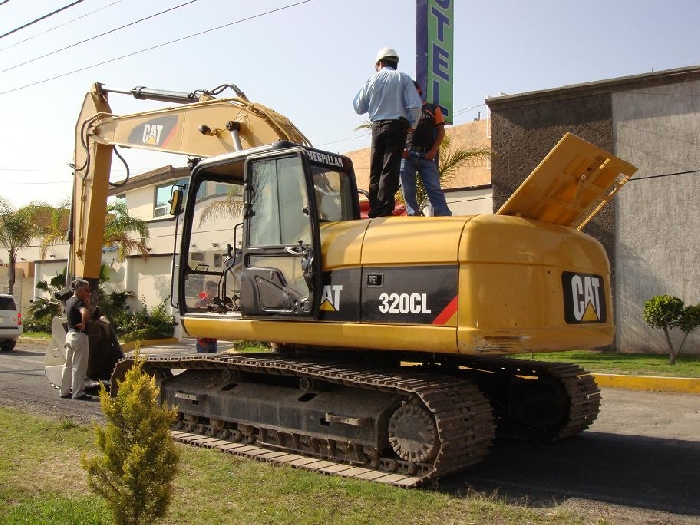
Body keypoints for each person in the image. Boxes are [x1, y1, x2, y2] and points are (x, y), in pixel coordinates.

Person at [353, 47, 422, 217]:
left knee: (375, 167)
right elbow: (415, 105)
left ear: (380, 63)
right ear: (395, 63)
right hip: (397, 126)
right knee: (389, 167)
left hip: (377, 126)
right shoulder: (403, 78)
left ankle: (375, 208)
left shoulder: (371, 80)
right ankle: (384, 208)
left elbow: (358, 106)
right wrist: (412, 124)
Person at [400, 81, 452, 217]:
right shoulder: (403, 110)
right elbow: (397, 132)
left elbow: (441, 131)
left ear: (419, 90)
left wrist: (434, 150)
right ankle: (413, 215)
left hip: (426, 155)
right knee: (408, 189)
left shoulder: (433, 108)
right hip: (408, 155)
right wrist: (401, 150)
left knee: (434, 187)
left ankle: (444, 214)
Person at [59, 279, 93, 400]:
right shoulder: (79, 303)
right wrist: (84, 323)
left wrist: (87, 302)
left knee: (67, 364)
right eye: (86, 290)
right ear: (79, 290)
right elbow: (85, 313)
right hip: (79, 336)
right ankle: (78, 392)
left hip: (70, 335)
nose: (88, 292)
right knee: (79, 365)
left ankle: (64, 391)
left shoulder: (69, 301)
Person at [195, 280, 218, 353]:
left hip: (213, 339)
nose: (214, 292)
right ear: (207, 291)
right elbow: (197, 321)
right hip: (203, 340)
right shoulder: (200, 303)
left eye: (216, 290)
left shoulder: (216, 304)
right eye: (212, 290)